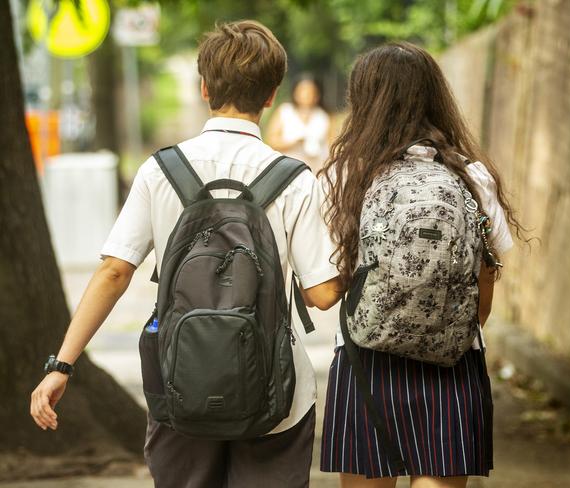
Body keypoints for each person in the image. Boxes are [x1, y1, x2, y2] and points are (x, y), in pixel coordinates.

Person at [30, 20, 342, 488]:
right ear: (272, 95)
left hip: (178, 385)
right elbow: (321, 295)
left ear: (203, 87)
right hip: (276, 393)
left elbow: (115, 271)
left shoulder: (160, 170)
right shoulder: (294, 177)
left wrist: (62, 366)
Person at [319, 42, 525, 488]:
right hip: (454, 358)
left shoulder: (347, 175)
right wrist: (452, 327)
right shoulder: (472, 175)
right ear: (436, 96)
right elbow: (486, 272)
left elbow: (334, 279)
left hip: (364, 355)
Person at [266, 76, 332, 172]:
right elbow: (271, 141)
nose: (306, 95)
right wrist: (294, 142)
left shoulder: (323, 116)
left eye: (310, 91)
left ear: (317, 95)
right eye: (303, 90)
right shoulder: (285, 111)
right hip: (287, 171)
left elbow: (331, 146)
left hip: (315, 171)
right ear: (295, 92)